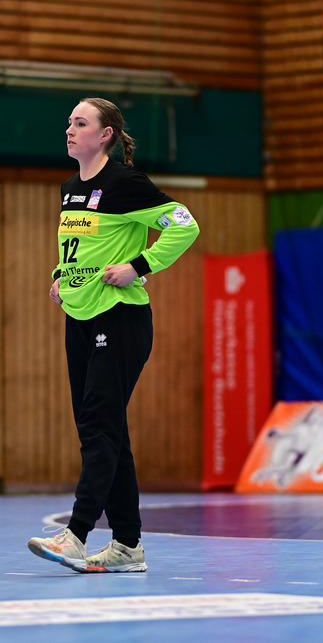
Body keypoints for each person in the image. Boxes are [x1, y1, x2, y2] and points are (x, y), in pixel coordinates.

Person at [27, 97, 200, 573]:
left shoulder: (125, 184)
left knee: (99, 427)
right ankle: (127, 546)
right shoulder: (68, 188)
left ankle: (76, 535)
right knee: (108, 433)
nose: (69, 129)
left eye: (79, 123)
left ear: (104, 135)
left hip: (119, 319)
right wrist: (63, 276)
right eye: (68, 122)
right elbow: (81, 246)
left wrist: (139, 265)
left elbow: (184, 225)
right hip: (79, 319)